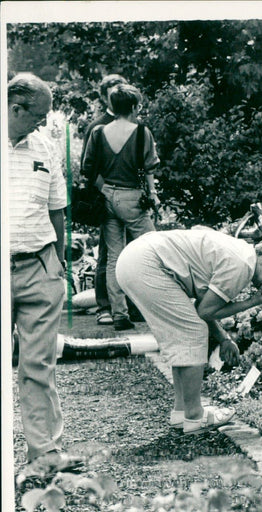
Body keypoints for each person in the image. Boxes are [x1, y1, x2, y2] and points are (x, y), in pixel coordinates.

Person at [116, 229, 262, 434]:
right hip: (146, 264)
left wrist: (223, 338)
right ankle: (195, 416)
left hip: (137, 259)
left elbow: (200, 308)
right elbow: (205, 311)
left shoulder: (241, 254)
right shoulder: (242, 266)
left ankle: (182, 412)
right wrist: (251, 302)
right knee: (192, 333)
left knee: (185, 333)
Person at [7, 73, 81, 469]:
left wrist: (57, 261)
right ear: (15, 109)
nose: (45, 121)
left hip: (38, 264)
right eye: (39, 114)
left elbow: (57, 208)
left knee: (38, 365)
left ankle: (45, 453)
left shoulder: (46, 146)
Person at [81, 83, 160, 331]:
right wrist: (154, 195)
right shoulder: (141, 132)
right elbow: (149, 168)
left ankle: (119, 313)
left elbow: (88, 169)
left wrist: (104, 189)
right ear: (134, 106)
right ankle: (156, 308)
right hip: (132, 198)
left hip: (107, 199)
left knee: (115, 258)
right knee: (154, 251)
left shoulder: (99, 132)